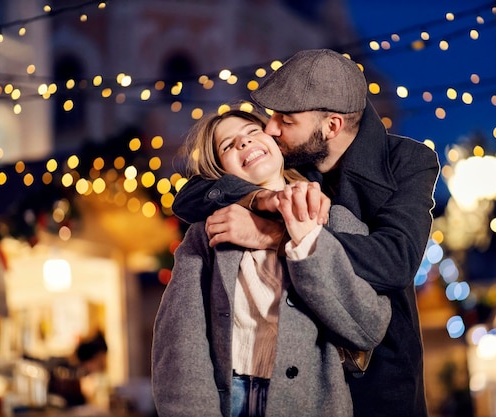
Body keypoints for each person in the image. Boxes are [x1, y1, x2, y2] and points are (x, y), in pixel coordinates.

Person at [171, 49, 440, 417]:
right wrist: (261, 198)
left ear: (331, 126)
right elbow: (191, 195)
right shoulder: (294, 161)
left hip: (378, 378)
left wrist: (273, 235)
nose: (270, 129)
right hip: (296, 385)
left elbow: (395, 260)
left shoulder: (407, 162)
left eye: (285, 119)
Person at [151, 108, 391, 417]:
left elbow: (367, 328)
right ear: (221, 171)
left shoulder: (337, 221)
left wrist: (305, 241)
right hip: (228, 402)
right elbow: (179, 345)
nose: (243, 143)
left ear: (276, 142)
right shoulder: (207, 234)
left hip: (309, 404)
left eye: (253, 133)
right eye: (227, 146)